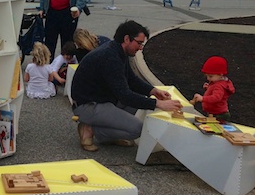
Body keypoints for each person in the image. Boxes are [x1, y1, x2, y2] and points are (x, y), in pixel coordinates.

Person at [71, 19, 182, 151]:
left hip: (104, 99)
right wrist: (158, 104)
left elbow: (131, 80)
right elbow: (124, 95)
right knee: (137, 129)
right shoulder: (110, 57)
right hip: (88, 105)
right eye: (139, 43)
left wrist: (153, 91)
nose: (141, 48)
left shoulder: (117, 51)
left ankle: (104, 131)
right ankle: (91, 127)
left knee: (140, 110)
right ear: (127, 39)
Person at [192, 56, 235, 121]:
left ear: (220, 74)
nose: (208, 78)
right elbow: (216, 91)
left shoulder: (219, 86)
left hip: (218, 114)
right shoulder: (216, 82)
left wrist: (202, 98)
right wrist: (209, 88)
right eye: (206, 76)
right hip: (215, 112)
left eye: (210, 76)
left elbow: (216, 98)